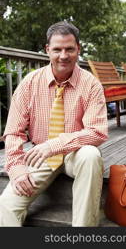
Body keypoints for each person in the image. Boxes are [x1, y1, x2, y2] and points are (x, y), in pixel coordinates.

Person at [0, 21, 108, 227]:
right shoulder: (29, 83)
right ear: (47, 50)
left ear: (79, 49)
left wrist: (55, 145)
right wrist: (17, 169)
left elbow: (97, 132)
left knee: (91, 155)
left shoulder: (91, 84)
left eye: (69, 49)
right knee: (6, 205)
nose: (63, 55)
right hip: (40, 157)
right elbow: (13, 132)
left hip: (75, 153)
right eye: (57, 49)